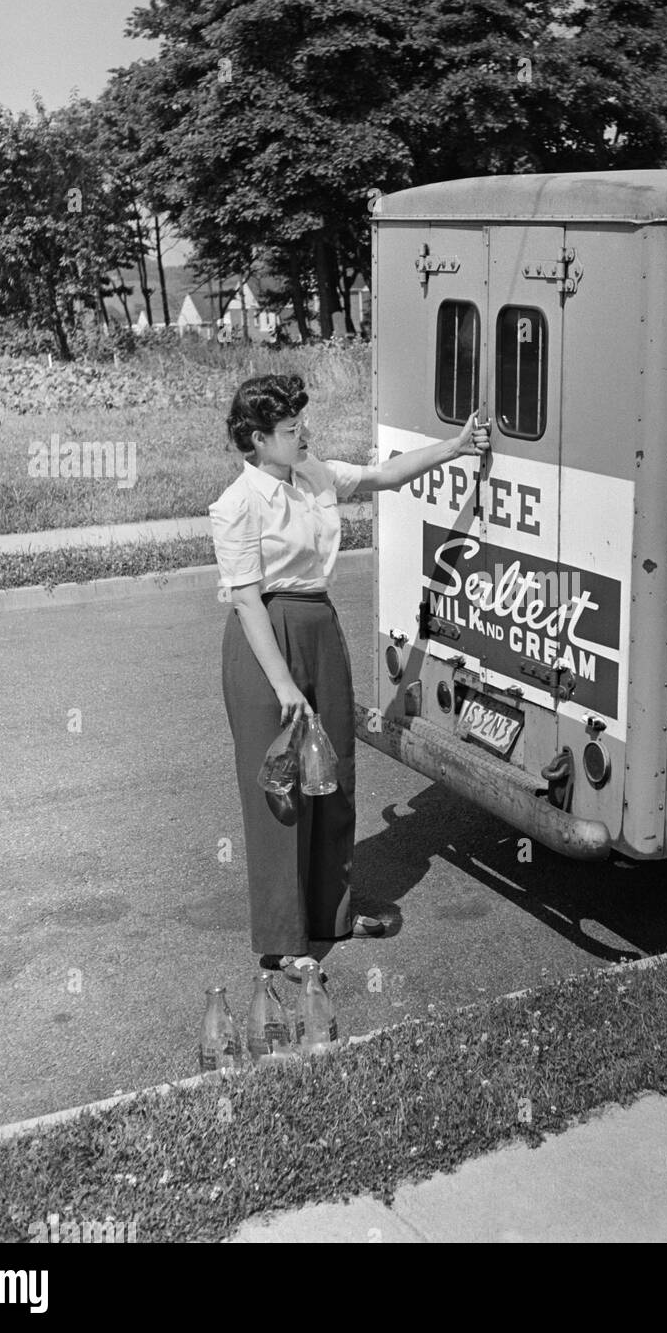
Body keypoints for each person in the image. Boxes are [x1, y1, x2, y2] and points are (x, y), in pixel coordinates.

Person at [210, 374, 488, 981]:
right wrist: (284, 686)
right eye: (290, 429)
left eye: (301, 424)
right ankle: (284, 939)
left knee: (329, 777)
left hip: (319, 627)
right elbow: (248, 603)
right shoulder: (237, 504)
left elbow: (384, 475)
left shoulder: (313, 473)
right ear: (258, 440)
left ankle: (331, 915)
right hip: (265, 647)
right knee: (279, 790)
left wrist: (457, 445)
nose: (304, 433)